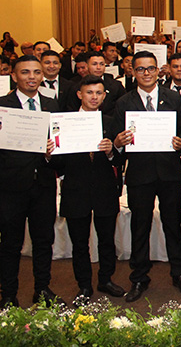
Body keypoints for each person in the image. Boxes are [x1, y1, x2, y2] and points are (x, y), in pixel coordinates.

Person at [112, 51, 181, 302]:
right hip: (139, 174)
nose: (146, 73)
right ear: (132, 72)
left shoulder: (173, 99)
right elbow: (117, 144)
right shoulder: (123, 103)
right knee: (140, 226)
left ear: (159, 71)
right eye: (140, 69)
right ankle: (138, 277)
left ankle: (178, 272)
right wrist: (117, 142)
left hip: (169, 173)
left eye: (150, 69)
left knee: (172, 224)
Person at [51, 75, 126, 304]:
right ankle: (84, 285)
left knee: (106, 239)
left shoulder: (111, 122)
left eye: (99, 93)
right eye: (89, 93)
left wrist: (112, 150)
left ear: (104, 96)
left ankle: (105, 279)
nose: (94, 97)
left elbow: (118, 161)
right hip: (76, 189)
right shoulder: (65, 122)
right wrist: (52, 152)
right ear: (79, 95)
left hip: (105, 189)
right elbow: (57, 164)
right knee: (80, 243)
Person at [0, 55, 60, 307]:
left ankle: (42, 289)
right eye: (25, 72)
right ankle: (8, 296)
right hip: (10, 187)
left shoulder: (52, 105)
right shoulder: (2, 106)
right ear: (14, 76)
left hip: (44, 185)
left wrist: (51, 152)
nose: (32, 77)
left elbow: (62, 147)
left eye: (36, 72)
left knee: (44, 241)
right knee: (10, 243)